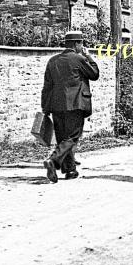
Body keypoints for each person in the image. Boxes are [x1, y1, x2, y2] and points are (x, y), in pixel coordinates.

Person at [41, 31, 100, 183]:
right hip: (75, 104)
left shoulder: (52, 61)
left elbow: (47, 86)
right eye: (81, 43)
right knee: (72, 137)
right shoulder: (79, 59)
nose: (83, 46)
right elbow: (94, 74)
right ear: (76, 44)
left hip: (56, 105)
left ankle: (70, 170)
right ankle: (53, 161)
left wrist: (45, 108)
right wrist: (88, 56)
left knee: (63, 138)